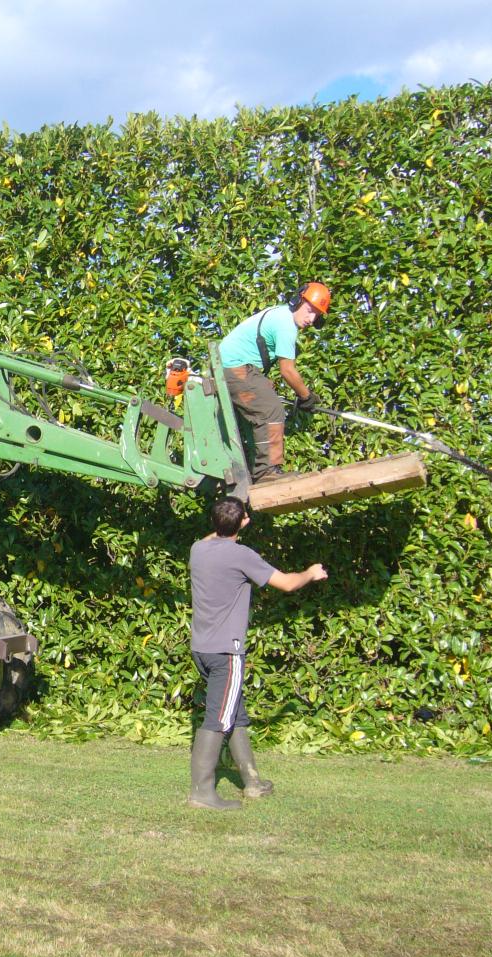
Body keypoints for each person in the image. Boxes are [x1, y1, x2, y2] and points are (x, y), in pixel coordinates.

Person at [187, 496, 327, 810]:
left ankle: (253, 782)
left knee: (234, 713)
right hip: (227, 652)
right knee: (218, 719)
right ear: (245, 522)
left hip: (202, 649)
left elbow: (216, 534)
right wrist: (310, 572)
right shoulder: (241, 555)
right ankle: (201, 792)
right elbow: (288, 584)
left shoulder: (198, 550)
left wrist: (227, 521)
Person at [219, 282, 331, 482]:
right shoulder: (286, 325)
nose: (311, 319)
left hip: (233, 366)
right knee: (271, 409)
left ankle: (261, 468)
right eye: (309, 310)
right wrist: (307, 397)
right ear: (297, 301)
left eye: (317, 315)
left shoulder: (279, 315)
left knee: (264, 399)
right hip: (234, 366)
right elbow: (287, 370)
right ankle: (266, 472)